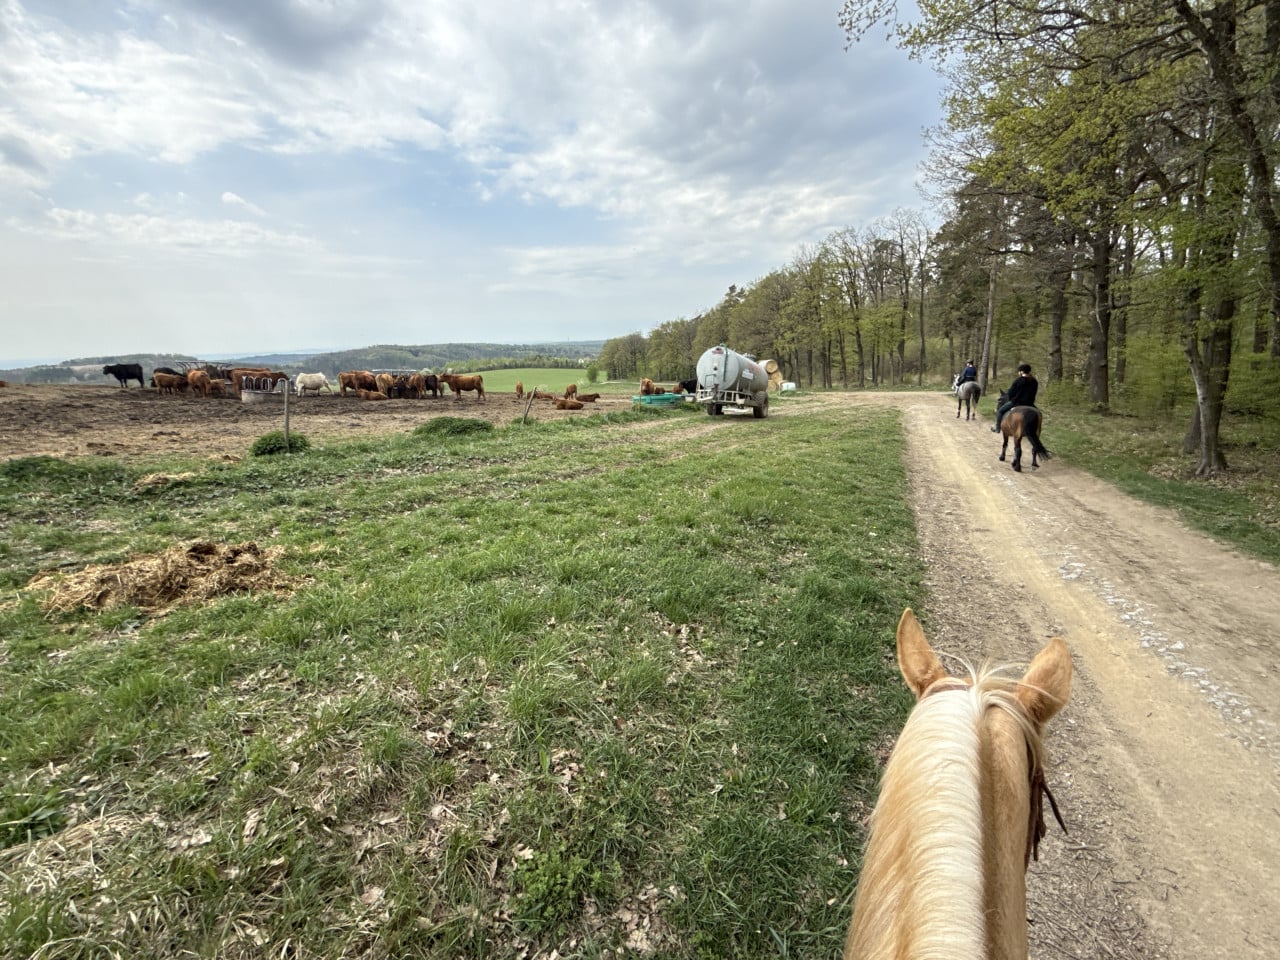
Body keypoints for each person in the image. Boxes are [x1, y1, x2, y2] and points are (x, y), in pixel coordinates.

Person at [992, 362, 1039, 432]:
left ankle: (997, 428)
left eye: (1019, 371)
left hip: (1017, 403)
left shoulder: (1018, 380)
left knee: (1000, 411)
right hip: (1030, 404)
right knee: (1038, 413)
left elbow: (1011, 393)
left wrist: (1011, 399)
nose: (1018, 373)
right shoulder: (1034, 381)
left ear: (1022, 371)